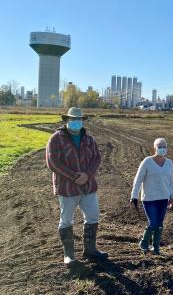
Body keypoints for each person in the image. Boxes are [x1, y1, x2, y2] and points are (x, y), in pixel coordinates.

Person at [46, 107, 108, 266]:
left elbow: (97, 158)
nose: (76, 122)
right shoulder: (56, 139)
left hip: (88, 186)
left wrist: (87, 175)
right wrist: (74, 176)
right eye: (72, 119)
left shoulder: (89, 139)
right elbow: (53, 162)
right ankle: (69, 255)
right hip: (67, 188)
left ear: (82, 121)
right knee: (66, 220)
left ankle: (90, 250)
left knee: (93, 217)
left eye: (78, 119)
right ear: (66, 120)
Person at [130, 137, 173, 255]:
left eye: (164, 147)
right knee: (153, 223)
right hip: (149, 198)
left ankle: (156, 248)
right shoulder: (147, 161)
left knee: (159, 225)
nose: (162, 149)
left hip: (163, 198)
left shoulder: (169, 163)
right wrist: (134, 195)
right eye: (159, 147)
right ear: (154, 148)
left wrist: (172, 196)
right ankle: (144, 242)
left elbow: (170, 181)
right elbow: (138, 179)